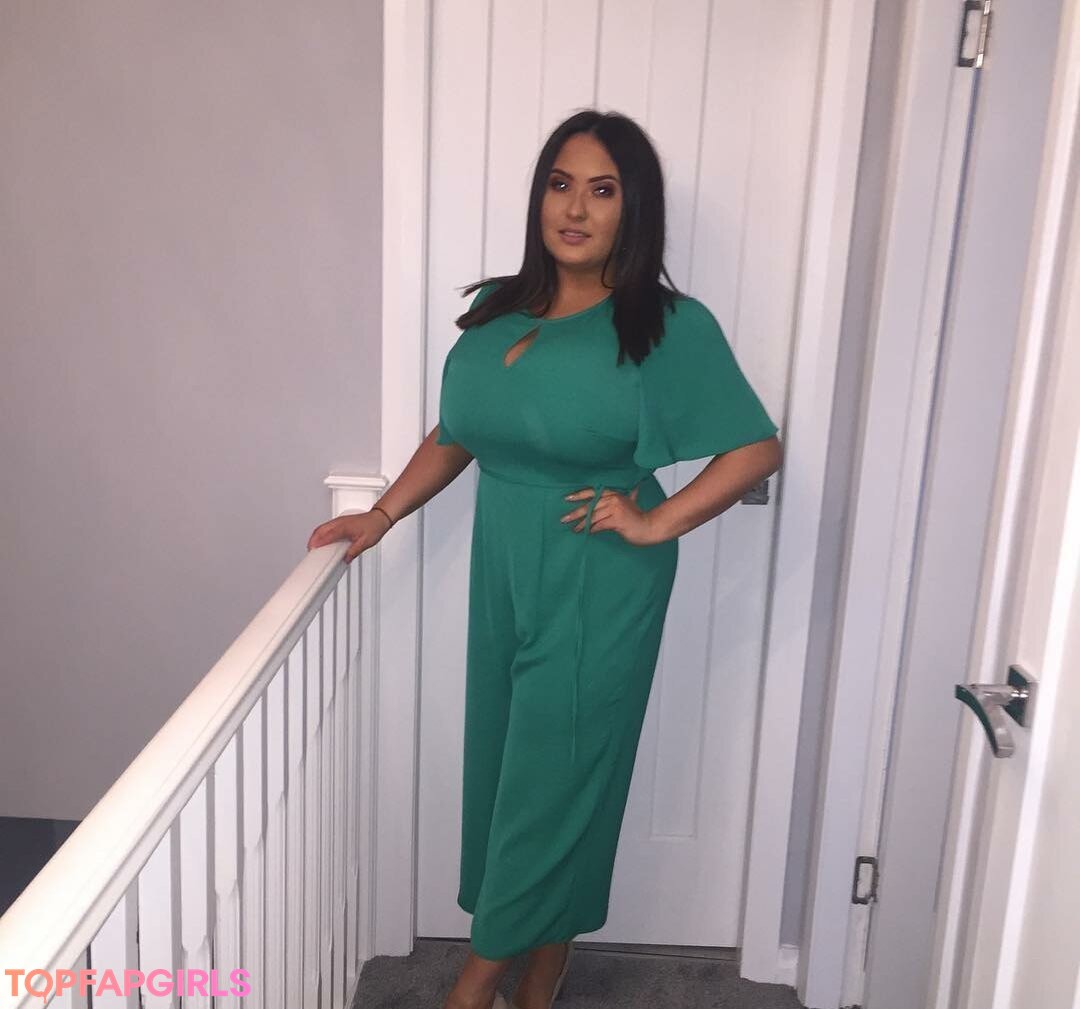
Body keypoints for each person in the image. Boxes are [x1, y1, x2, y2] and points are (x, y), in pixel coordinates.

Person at [307, 108, 783, 1009]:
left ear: (633, 209)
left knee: (549, 778)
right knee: (512, 771)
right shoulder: (497, 311)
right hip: (504, 567)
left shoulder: (665, 324)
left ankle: (475, 983)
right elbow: (458, 432)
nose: (575, 208)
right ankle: (547, 957)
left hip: (598, 578)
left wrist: (657, 521)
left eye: (602, 190)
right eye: (561, 184)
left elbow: (755, 447)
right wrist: (383, 513)